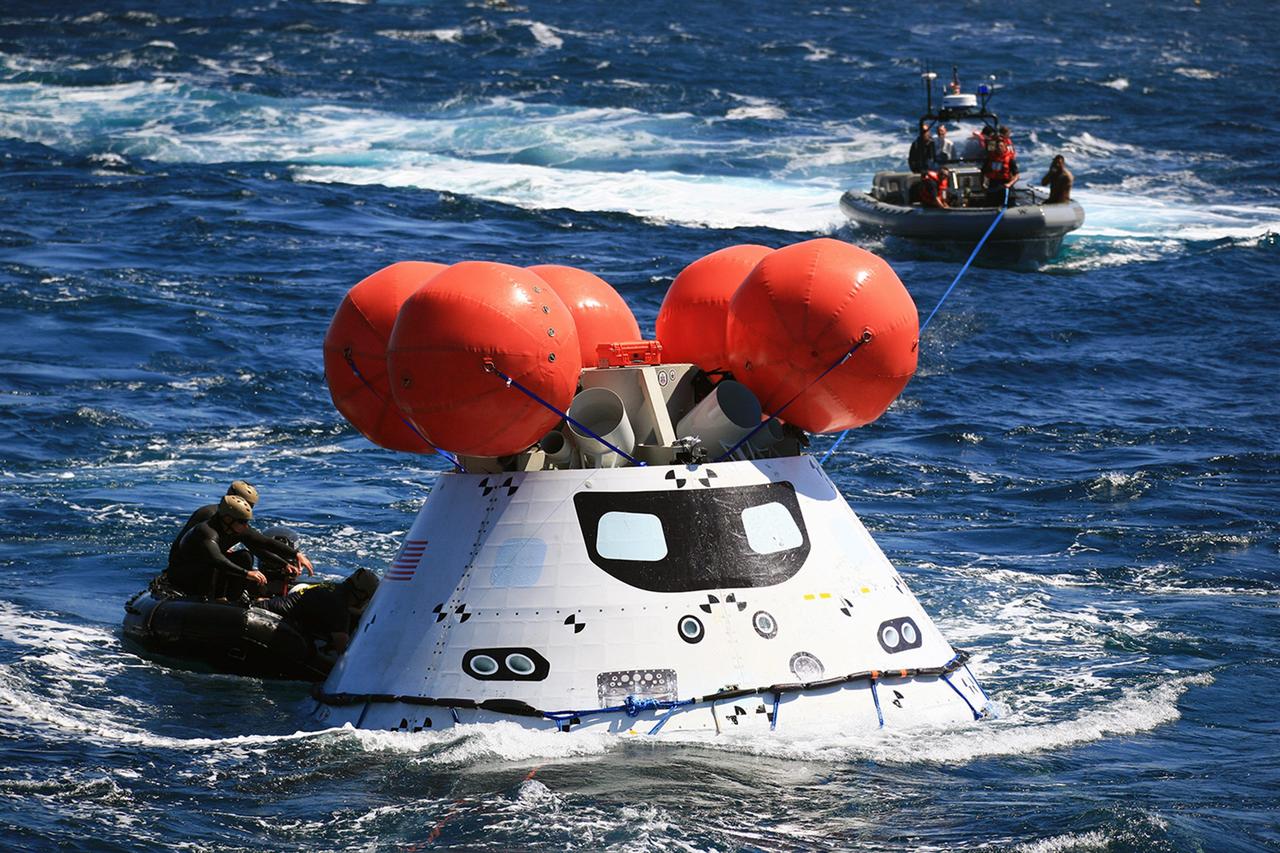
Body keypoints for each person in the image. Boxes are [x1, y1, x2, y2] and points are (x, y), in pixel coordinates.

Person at [166, 480, 314, 580]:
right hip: (190, 565)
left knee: (245, 556)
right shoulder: (208, 519)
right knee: (217, 565)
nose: (246, 509)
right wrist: (246, 573)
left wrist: (288, 560)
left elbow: (259, 545)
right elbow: (195, 548)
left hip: (214, 559)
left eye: (250, 506)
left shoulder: (236, 525)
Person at [258, 569, 380, 658]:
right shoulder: (339, 607)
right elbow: (344, 652)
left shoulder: (335, 589)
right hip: (269, 618)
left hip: (267, 608)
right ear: (361, 595)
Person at [983, 126, 1020, 206]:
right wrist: (983, 184)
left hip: (1005, 184)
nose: (999, 148)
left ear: (1004, 147)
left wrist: (1009, 184)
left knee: (1009, 202)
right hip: (993, 184)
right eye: (997, 147)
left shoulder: (1009, 159)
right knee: (990, 201)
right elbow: (983, 172)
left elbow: (1017, 174)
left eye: (1001, 146)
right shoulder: (990, 158)